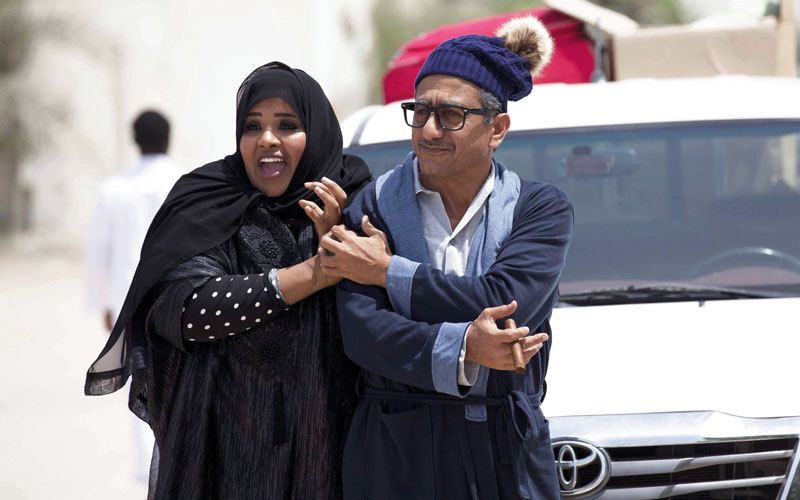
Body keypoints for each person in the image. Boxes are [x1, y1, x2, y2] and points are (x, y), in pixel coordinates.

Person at [84, 61, 371, 499]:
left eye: (287, 125)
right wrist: (314, 273)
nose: (267, 139)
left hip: (331, 453)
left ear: (315, 133)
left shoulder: (360, 204)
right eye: (253, 126)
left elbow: (385, 317)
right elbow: (187, 308)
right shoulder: (210, 202)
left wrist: (337, 242)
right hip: (231, 454)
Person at [317, 17, 573, 500]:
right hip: (396, 450)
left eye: (451, 115)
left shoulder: (539, 208)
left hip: (506, 449)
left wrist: (387, 271)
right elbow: (365, 333)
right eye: (420, 112)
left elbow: (506, 302)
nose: (429, 130)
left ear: (497, 129)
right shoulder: (372, 206)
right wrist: (467, 348)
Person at [86, 109, 183, 481]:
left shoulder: (114, 189)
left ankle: (149, 471)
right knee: (176, 377)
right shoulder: (183, 180)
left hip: (130, 298)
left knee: (140, 378)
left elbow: (100, 251)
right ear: (168, 138)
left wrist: (106, 304)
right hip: (177, 295)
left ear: (135, 140)